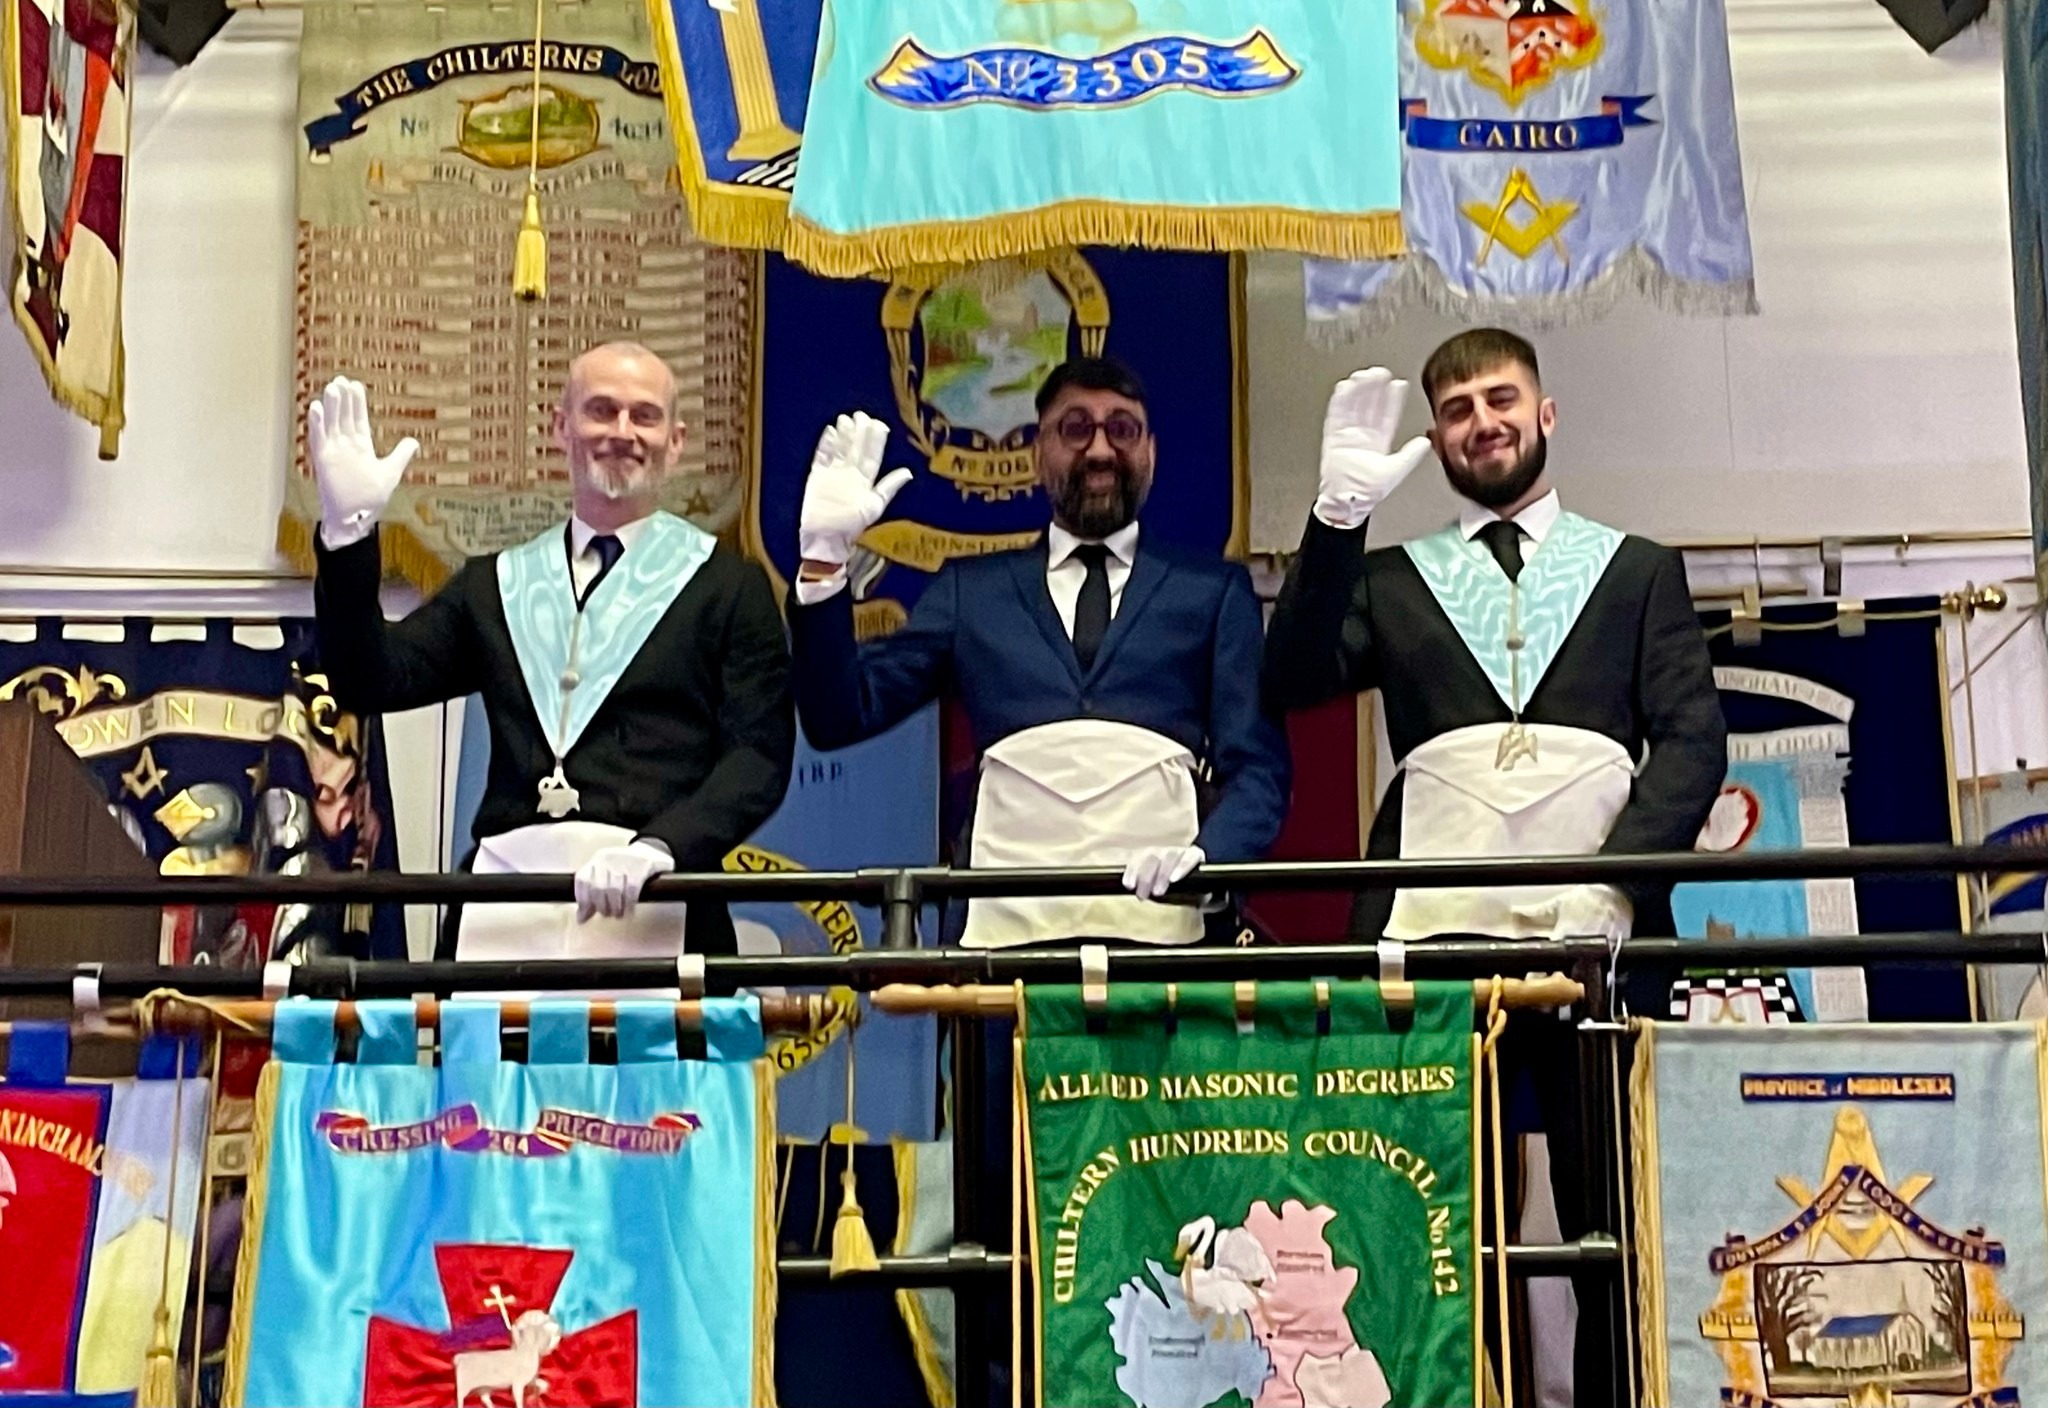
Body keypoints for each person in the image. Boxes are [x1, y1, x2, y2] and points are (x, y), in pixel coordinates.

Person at [1262, 326, 1725, 1406]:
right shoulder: (1390, 578)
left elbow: (1692, 741)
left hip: (1596, 937)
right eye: (1459, 408)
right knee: (1436, 1208)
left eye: (1501, 398)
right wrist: (1336, 519)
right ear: (1436, 438)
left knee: (1609, 1209)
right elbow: (1287, 681)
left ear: (1544, 412)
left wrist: (1614, 883)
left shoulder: (1638, 570)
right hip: (1431, 935)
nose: (1484, 421)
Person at [308, 342, 795, 961]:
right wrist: (347, 531)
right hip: (505, 904)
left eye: (644, 416)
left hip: (658, 897)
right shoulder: (496, 584)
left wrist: (662, 847)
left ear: (675, 442)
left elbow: (757, 757)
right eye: (601, 410)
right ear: (561, 428)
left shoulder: (729, 587)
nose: (623, 432)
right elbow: (367, 679)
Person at [788, 355, 1289, 943]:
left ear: (1150, 452)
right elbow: (839, 715)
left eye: (1121, 429)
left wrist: (1211, 860)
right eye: (1075, 428)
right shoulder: (971, 592)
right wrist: (823, 564)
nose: (1100, 449)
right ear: (1037, 453)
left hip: (1164, 927)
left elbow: (1257, 767)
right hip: (1001, 936)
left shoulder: (1211, 591)